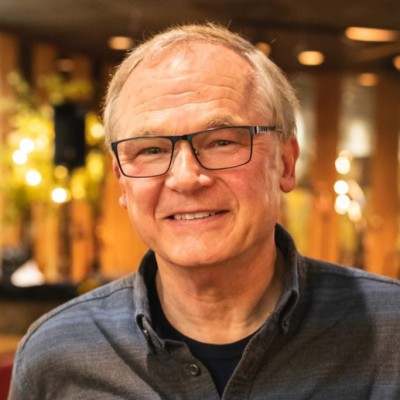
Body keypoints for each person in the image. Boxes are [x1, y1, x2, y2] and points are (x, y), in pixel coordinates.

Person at [8, 23, 400, 400]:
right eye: (151, 149)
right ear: (122, 181)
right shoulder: (56, 356)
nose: (186, 178)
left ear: (284, 162)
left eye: (221, 142)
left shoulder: (391, 334)